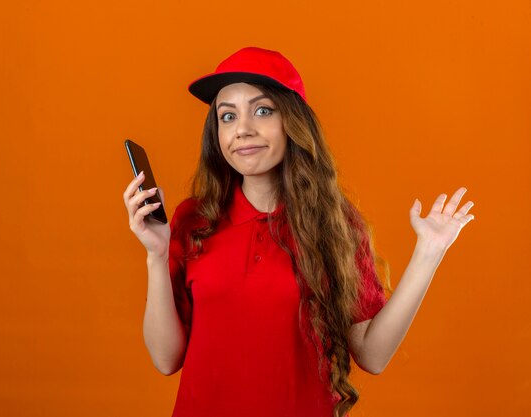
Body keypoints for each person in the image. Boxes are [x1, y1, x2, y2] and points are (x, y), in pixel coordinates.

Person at [123, 46, 475, 417]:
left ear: (292, 122)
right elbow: (165, 359)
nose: (242, 129)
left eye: (262, 110)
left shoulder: (335, 223)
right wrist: (156, 255)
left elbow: (373, 355)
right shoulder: (193, 219)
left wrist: (429, 252)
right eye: (227, 116)